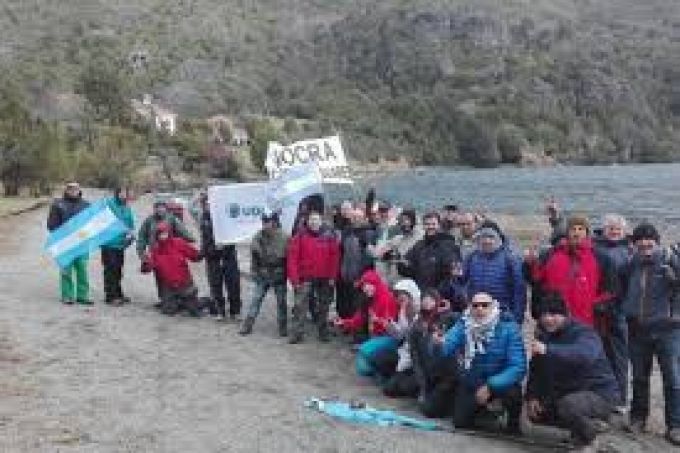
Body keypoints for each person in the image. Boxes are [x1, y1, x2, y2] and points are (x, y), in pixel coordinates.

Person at [526, 292, 620, 451]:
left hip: (599, 394)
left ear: (565, 314)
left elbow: (584, 356)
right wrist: (532, 396)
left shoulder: (585, 333)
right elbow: (536, 369)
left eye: (554, 314)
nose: (548, 319)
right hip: (570, 391)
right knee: (538, 413)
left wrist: (549, 350)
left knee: (568, 406)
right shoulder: (544, 335)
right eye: (544, 315)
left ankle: (592, 436)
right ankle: (581, 430)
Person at [619, 223, 680, 446]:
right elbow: (622, 288)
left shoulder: (670, 258)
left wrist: (676, 277)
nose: (645, 243)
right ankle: (638, 418)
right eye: (640, 239)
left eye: (649, 239)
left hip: (669, 330)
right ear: (634, 243)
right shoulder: (630, 263)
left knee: (673, 379)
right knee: (640, 378)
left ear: (657, 241)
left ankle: (675, 426)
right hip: (638, 329)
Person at [433, 293, 526, 433]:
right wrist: (439, 344)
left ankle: (512, 422)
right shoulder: (464, 323)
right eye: (475, 305)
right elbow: (447, 347)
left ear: (493, 306)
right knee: (460, 422)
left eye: (484, 305)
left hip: (500, 382)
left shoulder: (509, 328)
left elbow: (518, 367)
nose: (479, 309)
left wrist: (490, 386)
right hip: (473, 381)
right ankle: (487, 413)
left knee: (513, 392)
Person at [526, 214, 616, 329]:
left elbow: (611, 289)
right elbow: (536, 279)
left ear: (586, 233)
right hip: (555, 319)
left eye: (580, 229)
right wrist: (530, 264)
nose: (576, 232)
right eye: (573, 229)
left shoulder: (600, 256)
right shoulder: (551, 254)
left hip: (587, 319)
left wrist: (597, 306)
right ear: (567, 232)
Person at [593, 213, 632, 411]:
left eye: (618, 229)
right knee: (596, 352)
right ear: (604, 229)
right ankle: (598, 393)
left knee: (619, 356)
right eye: (611, 228)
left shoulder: (630, 250)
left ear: (624, 231)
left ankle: (620, 399)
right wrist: (555, 220)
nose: (615, 231)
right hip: (596, 309)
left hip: (620, 311)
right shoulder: (593, 246)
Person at [334, 270, 399, 380]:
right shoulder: (369, 299)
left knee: (364, 353)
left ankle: (384, 368)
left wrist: (378, 321)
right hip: (375, 337)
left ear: (374, 284)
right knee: (362, 367)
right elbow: (359, 319)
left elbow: (391, 326)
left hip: (388, 338)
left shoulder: (387, 298)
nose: (364, 289)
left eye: (366, 285)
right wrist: (344, 323)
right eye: (363, 286)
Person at [287, 211, 340, 344]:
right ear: (307, 221)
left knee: (324, 306)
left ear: (321, 221)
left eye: (316, 219)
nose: (314, 222)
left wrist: (333, 276)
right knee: (300, 306)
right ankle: (297, 334)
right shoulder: (300, 236)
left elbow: (335, 257)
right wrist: (294, 279)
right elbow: (292, 258)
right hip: (305, 276)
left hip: (325, 277)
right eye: (311, 219)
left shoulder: (329, 236)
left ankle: (323, 331)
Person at [463, 221, 526, 324]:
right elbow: (461, 282)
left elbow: (519, 291)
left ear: (498, 238)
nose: (487, 241)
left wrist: (517, 318)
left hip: (503, 315)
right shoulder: (472, 257)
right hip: (477, 314)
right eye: (483, 236)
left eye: (491, 237)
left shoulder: (511, 259)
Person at [409, 289, 458, 417]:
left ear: (437, 301)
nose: (426, 302)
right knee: (427, 408)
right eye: (424, 299)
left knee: (430, 410)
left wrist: (448, 311)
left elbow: (463, 319)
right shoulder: (416, 325)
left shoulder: (447, 318)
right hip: (430, 375)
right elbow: (415, 358)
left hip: (448, 375)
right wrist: (423, 388)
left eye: (430, 299)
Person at [239, 211, 289, 337]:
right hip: (263, 274)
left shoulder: (285, 237)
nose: (265, 224)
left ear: (275, 222)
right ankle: (247, 325)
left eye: (268, 221)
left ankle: (283, 326)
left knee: (281, 302)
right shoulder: (258, 236)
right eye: (264, 222)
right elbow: (254, 256)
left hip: (279, 273)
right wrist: (254, 272)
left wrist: (289, 275)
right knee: (256, 300)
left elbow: (289, 258)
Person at [137, 200, 195, 305]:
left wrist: (190, 238)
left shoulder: (172, 218)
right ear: (154, 209)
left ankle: (177, 298)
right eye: (157, 207)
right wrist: (141, 252)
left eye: (162, 206)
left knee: (173, 276)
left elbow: (182, 231)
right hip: (156, 253)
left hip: (170, 253)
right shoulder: (149, 221)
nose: (160, 209)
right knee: (159, 278)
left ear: (165, 208)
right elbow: (141, 237)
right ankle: (164, 299)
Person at [145, 222, 206, 316]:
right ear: (157, 236)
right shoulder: (155, 251)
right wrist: (145, 264)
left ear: (169, 233)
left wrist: (202, 253)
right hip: (169, 286)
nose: (163, 236)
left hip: (185, 283)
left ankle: (203, 301)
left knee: (195, 311)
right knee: (168, 311)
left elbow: (195, 256)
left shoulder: (179, 243)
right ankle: (179, 301)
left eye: (165, 233)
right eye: (160, 234)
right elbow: (148, 268)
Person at [197, 193, 242, 321]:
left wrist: (225, 246)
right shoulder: (203, 218)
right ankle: (220, 311)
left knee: (233, 284)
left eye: (208, 203)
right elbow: (205, 240)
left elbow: (235, 233)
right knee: (215, 286)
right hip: (212, 258)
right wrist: (207, 251)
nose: (206, 206)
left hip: (228, 256)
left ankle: (235, 311)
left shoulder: (225, 215)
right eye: (204, 204)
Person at [46, 182, 91, 305]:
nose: (73, 191)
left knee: (82, 269)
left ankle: (83, 296)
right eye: (70, 189)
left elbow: (91, 224)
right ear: (66, 190)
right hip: (64, 243)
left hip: (81, 243)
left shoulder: (86, 205)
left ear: (79, 190)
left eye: (75, 189)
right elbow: (51, 225)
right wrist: (62, 235)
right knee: (66, 269)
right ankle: (67, 295)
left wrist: (85, 234)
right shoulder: (58, 205)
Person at [398, 212, 460, 290]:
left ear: (439, 225)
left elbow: (455, 274)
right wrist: (400, 262)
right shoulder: (419, 246)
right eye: (427, 224)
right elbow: (407, 269)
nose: (430, 227)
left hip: (440, 295)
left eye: (433, 224)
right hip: (421, 292)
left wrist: (442, 293)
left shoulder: (449, 245)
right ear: (423, 226)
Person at [382, 279, 422, 398]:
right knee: (382, 359)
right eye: (398, 294)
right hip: (404, 352)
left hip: (416, 357)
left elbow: (411, 340)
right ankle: (398, 378)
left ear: (411, 294)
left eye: (402, 294)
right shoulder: (403, 310)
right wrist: (390, 326)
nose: (399, 297)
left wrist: (401, 367)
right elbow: (400, 335)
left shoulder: (420, 313)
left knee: (392, 390)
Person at [337, 207, 376, 321]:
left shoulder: (369, 233)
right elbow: (341, 252)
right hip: (345, 274)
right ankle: (347, 324)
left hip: (360, 275)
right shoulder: (346, 231)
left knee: (358, 304)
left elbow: (370, 257)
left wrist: (362, 276)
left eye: (359, 217)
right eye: (354, 217)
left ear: (364, 218)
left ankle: (357, 329)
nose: (356, 219)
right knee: (345, 302)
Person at [100, 188, 135, 306]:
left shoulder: (127, 207)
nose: (124, 195)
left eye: (126, 192)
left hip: (120, 244)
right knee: (110, 269)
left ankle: (118, 293)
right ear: (117, 193)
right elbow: (100, 217)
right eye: (122, 192)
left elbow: (130, 224)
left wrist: (130, 234)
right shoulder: (109, 204)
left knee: (119, 270)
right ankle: (110, 296)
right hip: (108, 243)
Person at [371, 208, 423, 286]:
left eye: (407, 220)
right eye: (402, 220)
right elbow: (379, 255)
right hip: (393, 281)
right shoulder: (397, 239)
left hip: (410, 284)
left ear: (413, 221)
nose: (405, 223)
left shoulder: (420, 238)